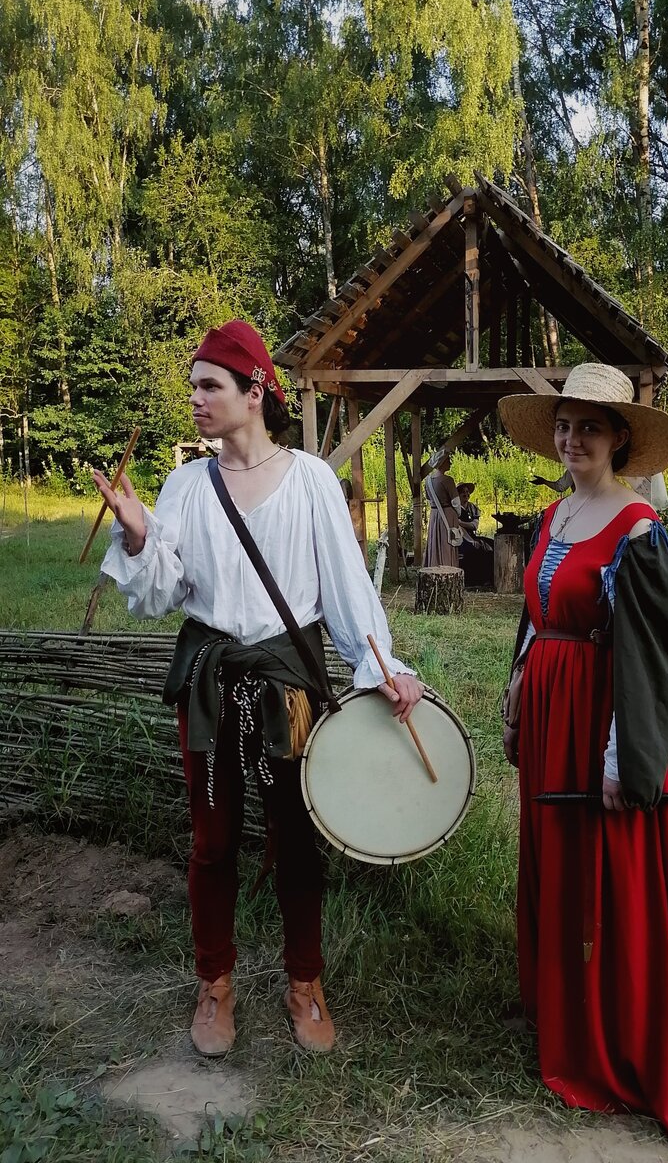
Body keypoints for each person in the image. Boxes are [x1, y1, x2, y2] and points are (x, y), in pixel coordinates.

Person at [94, 319, 423, 1058]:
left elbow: (346, 590)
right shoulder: (187, 485)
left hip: (287, 685)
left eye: (209, 385)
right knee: (211, 842)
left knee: (297, 839)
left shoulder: (309, 480)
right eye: (192, 386)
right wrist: (141, 535)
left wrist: (381, 667)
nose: (195, 399)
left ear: (254, 392)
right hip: (210, 680)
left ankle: (304, 982)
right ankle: (215, 982)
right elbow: (161, 594)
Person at [497, 362, 668, 1151]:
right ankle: (561, 1010)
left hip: (605, 717)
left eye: (589, 427)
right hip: (552, 712)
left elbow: (650, 658)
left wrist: (623, 758)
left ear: (619, 439)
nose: (571, 439)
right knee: (557, 860)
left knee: (608, 872)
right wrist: (517, 691)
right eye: (564, 425)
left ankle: (613, 1031)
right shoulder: (554, 516)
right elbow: (537, 617)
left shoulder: (638, 531)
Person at [423, 448, 463, 567]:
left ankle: (434, 564)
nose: (450, 463)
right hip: (447, 514)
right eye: (448, 460)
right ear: (442, 463)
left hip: (434, 514)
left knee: (435, 540)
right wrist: (457, 514)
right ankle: (447, 565)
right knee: (448, 541)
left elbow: (429, 499)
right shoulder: (448, 480)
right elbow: (456, 502)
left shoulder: (428, 481)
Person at [456, 482, 494, 587]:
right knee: (473, 550)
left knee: (492, 545)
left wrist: (461, 523)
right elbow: (456, 526)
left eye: (467, 492)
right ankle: (473, 581)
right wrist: (469, 538)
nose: (466, 494)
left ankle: (489, 579)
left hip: (471, 535)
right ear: (458, 494)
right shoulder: (455, 508)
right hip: (460, 537)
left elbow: (474, 525)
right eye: (463, 492)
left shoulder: (472, 507)